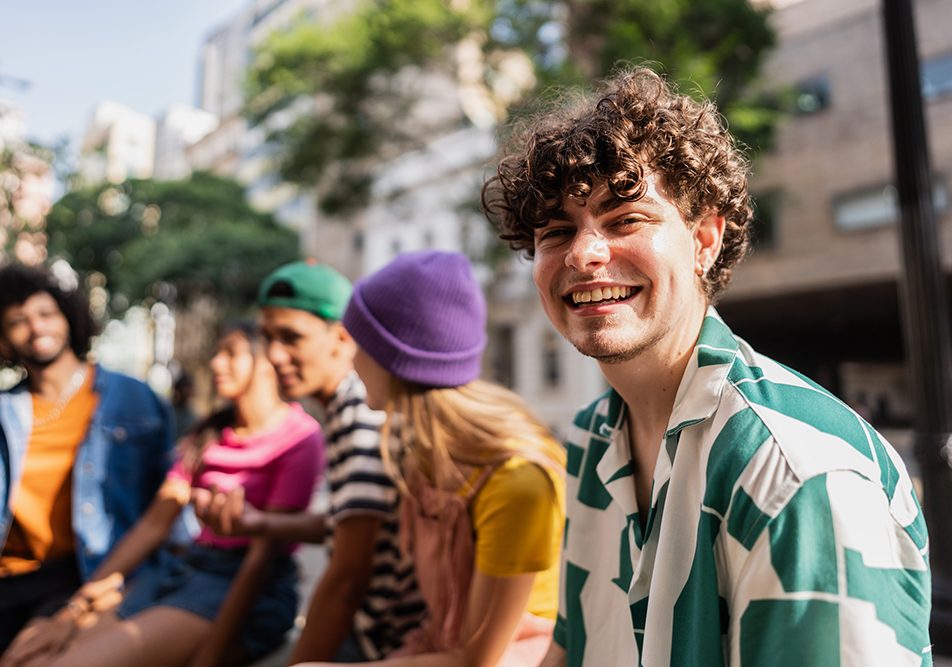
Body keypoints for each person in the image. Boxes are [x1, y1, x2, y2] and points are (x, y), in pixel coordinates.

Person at [482, 67, 932, 666]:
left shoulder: (795, 475)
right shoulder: (592, 439)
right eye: (557, 232)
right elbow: (573, 650)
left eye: (626, 219)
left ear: (705, 240)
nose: (585, 254)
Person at [299, 250, 566, 667]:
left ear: (395, 359)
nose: (350, 357)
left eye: (360, 342)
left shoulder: (517, 480)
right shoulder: (424, 451)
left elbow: (480, 657)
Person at [3, 320, 324, 667]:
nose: (216, 363)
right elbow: (152, 527)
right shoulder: (211, 431)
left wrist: (210, 657)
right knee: (26, 655)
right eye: (218, 353)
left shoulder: (299, 438)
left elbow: (260, 559)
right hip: (180, 569)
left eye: (231, 354)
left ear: (266, 363)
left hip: (243, 590)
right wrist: (73, 612)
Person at [196, 260, 426, 663]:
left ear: (341, 338)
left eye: (291, 338)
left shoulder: (361, 416)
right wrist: (260, 522)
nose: (274, 355)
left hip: (381, 643)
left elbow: (346, 579)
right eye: (267, 338)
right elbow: (351, 523)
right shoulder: (342, 407)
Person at [0, 263, 174, 655]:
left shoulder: (134, 399)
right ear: (4, 339)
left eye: (45, 314)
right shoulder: (4, 411)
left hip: (82, 575)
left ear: (68, 317)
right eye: (17, 320)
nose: (36, 327)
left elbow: (166, 503)